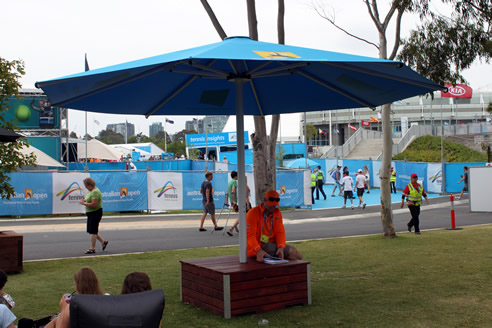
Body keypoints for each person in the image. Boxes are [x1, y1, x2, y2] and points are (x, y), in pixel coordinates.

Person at [246, 190, 303, 262]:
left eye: (275, 204)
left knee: (297, 255)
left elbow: (280, 232)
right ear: (264, 200)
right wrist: (258, 250)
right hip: (258, 246)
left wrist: (281, 247)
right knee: (292, 253)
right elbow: (250, 236)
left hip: (272, 245)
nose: (273, 206)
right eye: (271, 203)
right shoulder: (253, 213)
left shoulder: (277, 212)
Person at [79, 177, 108, 254]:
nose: (86, 188)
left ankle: (92, 248)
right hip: (91, 213)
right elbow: (88, 199)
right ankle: (103, 242)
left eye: (86, 186)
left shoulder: (95, 192)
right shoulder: (91, 192)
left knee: (93, 231)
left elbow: (94, 204)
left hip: (95, 212)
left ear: (90, 185)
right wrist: (84, 200)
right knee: (92, 230)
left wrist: (84, 203)